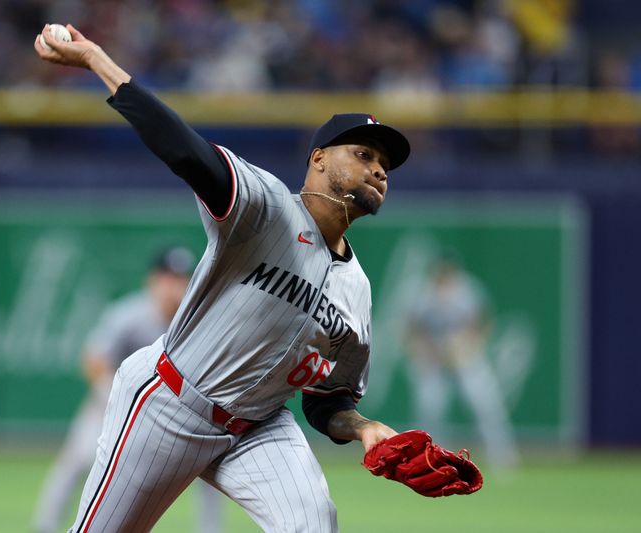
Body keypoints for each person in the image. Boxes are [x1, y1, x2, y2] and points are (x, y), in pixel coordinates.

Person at [35, 23, 411, 533]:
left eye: (385, 164)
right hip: (171, 403)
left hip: (260, 426)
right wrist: (97, 60)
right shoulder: (266, 207)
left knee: (315, 524)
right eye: (364, 155)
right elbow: (185, 150)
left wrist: (365, 429)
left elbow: (329, 403)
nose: (378, 170)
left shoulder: (357, 291)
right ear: (318, 159)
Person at [33, 247, 224, 533]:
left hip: (172, 413)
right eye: (167, 277)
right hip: (110, 406)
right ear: (152, 281)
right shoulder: (129, 315)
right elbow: (94, 359)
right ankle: (44, 526)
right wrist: (113, 396)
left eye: (180, 278)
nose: (174, 285)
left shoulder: (194, 320)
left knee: (206, 464)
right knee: (77, 461)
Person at [404, 251, 518, 468]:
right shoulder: (423, 294)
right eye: (440, 275)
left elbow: (483, 323)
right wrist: (425, 352)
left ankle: (503, 459)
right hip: (435, 363)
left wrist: (469, 347)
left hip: (466, 361)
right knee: (429, 410)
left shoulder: (467, 291)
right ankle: (431, 461)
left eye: (448, 275)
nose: (444, 279)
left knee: (486, 407)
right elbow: (412, 330)